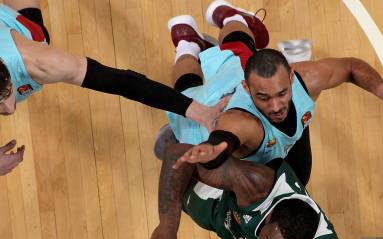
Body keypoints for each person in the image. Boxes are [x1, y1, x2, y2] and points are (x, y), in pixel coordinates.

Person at [159, 0, 383, 184]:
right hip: (206, 109)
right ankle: (187, 42)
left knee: (241, 49)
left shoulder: (302, 78)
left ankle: (221, 21)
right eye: (264, 98)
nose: (275, 106)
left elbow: (349, 66)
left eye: (282, 93)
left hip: (238, 76)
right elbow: (226, 136)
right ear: (247, 89)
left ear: (292, 76)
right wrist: (211, 149)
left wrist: (380, 88)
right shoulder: (242, 122)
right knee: (186, 87)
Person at [0, 0, 226, 175]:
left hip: (20, 36)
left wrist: (198, 111)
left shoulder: (43, 62)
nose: (10, 109)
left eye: (8, 94)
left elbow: (122, 82)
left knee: (38, 35)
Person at [138, 139, 342, 239]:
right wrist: (167, 226)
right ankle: (189, 121)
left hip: (231, 222)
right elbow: (178, 153)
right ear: (269, 215)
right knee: (181, 170)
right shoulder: (254, 186)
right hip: (217, 199)